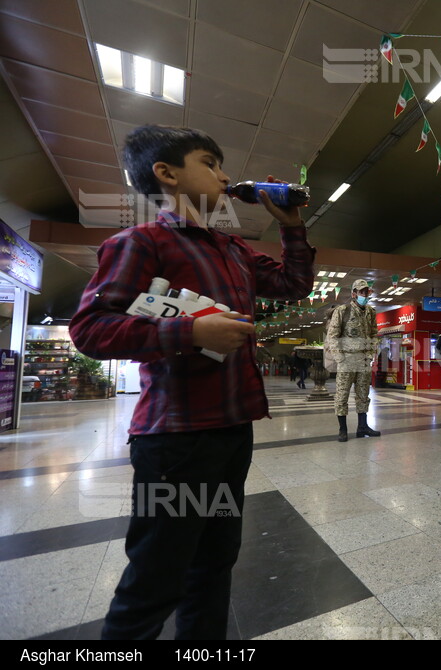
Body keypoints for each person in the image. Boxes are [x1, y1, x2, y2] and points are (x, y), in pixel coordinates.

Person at [69, 125, 315, 640]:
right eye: (210, 162)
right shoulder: (141, 243)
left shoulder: (234, 250)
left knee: (214, 564)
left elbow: (295, 285)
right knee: (158, 575)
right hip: (177, 442)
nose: (225, 176)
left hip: (231, 432)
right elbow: (90, 329)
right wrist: (189, 330)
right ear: (167, 173)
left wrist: (292, 226)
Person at [327, 279, 381, 442]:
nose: (365, 294)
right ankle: (342, 429)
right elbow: (332, 336)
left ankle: (362, 427)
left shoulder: (371, 312)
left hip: (364, 360)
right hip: (347, 361)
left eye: (367, 292)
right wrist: (339, 358)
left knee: (363, 394)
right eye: (361, 292)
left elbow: (373, 334)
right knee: (342, 395)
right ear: (354, 294)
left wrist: (371, 353)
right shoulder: (343, 311)